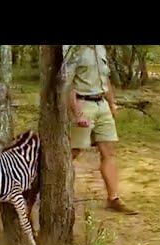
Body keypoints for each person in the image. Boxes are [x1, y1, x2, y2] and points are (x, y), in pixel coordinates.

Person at [64, 45, 138, 215]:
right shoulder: (73, 49)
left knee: (109, 152)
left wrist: (112, 103)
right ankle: (56, 194)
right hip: (83, 104)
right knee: (72, 152)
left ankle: (114, 198)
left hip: (102, 104)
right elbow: (67, 84)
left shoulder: (100, 49)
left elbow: (106, 80)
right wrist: (77, 113)